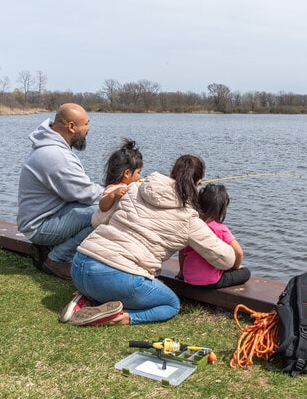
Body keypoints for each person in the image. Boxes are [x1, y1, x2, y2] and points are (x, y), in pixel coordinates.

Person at [60, 155, 238, 326]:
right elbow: (226, 259)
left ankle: (87, 299)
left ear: (171, 172)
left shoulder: (133, 189)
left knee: (106, 280)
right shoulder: (189, 219)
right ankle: (119, 317)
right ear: (197, 184)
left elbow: (96, 220)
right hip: (116, 277)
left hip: (80, 265)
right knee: (171, 304)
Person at [17, 103, 103, 280]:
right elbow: (85, 193)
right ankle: (58, 259)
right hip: (38, 226)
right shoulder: (55, 155)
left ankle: (48, 250)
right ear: (71, 127)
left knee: (98, 207)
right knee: (105, 212)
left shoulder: (51, 146)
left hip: (45, 217)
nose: (89, 128)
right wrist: (118, 194)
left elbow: (78, 191)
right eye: (86, 123)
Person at [176, 183, 250, 288]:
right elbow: (239, 252)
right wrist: (236, 267)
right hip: (211, 281)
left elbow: (182, 251)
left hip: (189, 278)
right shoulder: (220, 229)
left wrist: (181, 273)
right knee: (246, 273)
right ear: (221, 209)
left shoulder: (193, 227)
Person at [90, 139, 143, 228]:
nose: (139, 177)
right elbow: (102, 206)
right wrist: (113, 195)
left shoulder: (129, 187)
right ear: (127, 173)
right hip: (99, 222)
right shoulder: (114, 188)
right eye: (138, 173)